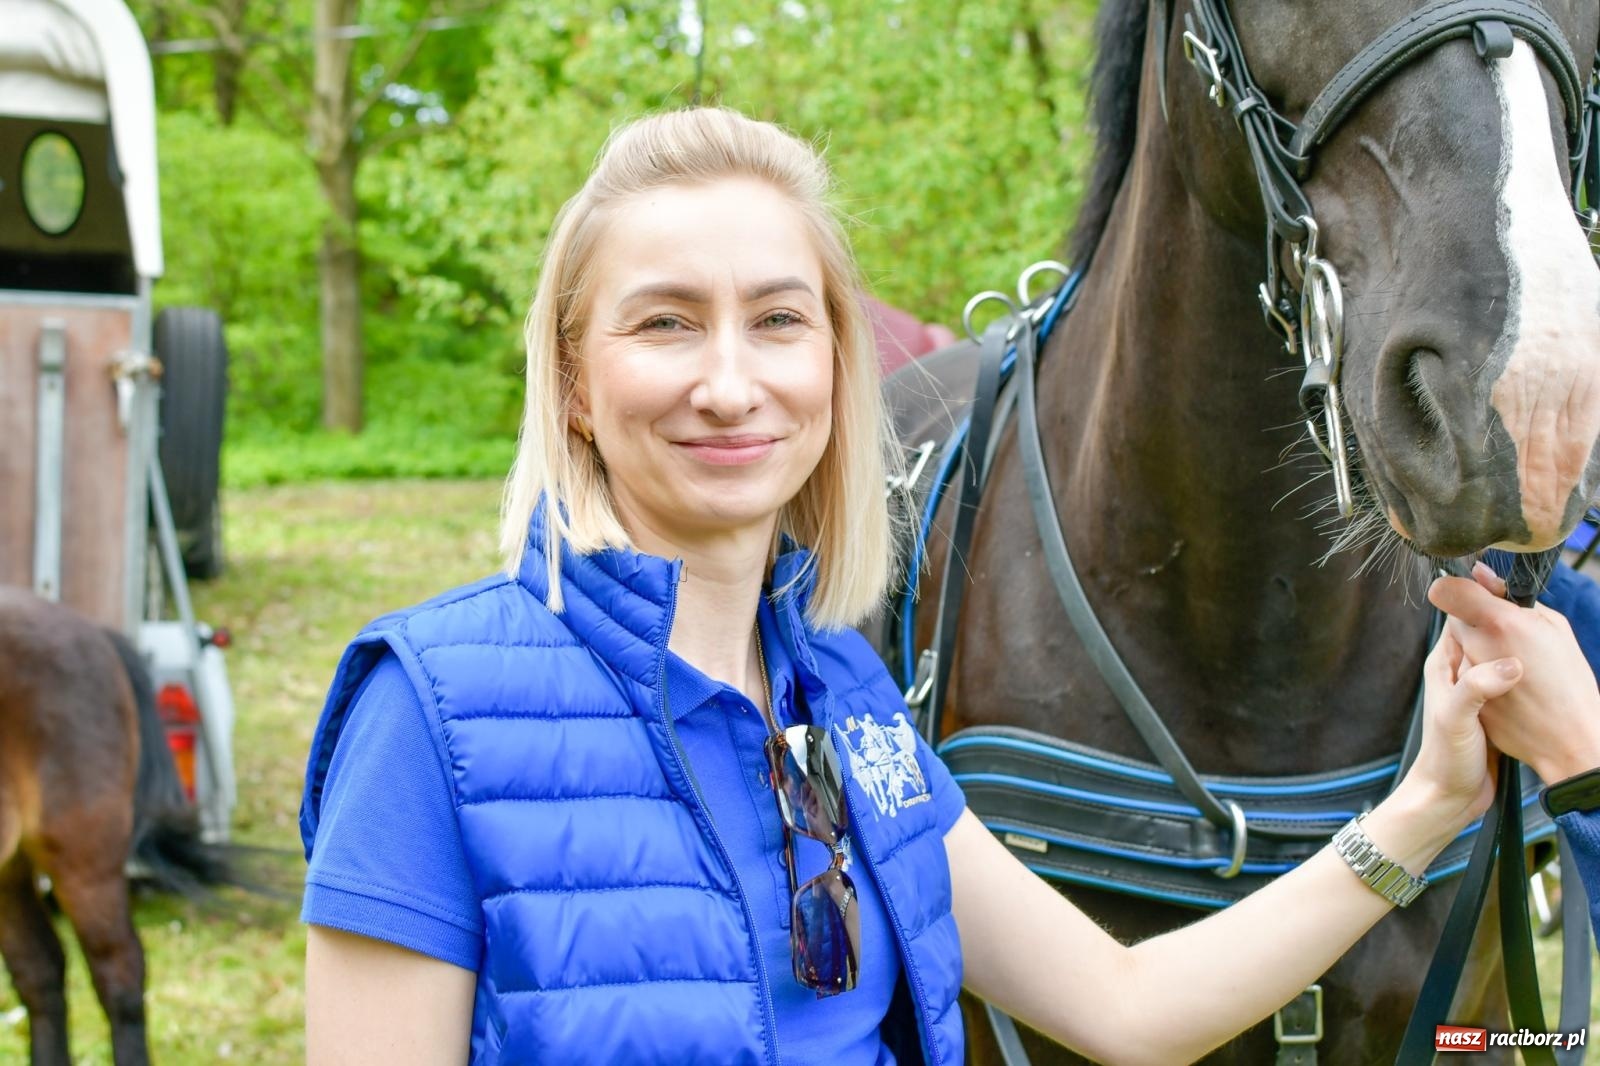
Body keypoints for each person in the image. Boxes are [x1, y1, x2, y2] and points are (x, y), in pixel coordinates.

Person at [298, 106, 1600, 1065]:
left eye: (778, 318)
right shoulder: (432, 709)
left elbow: (1125, 1007)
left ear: (836, 368)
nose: (731, 380)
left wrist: (1423, 811)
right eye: (665, 321)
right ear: (575, 380)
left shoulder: (839, 708)